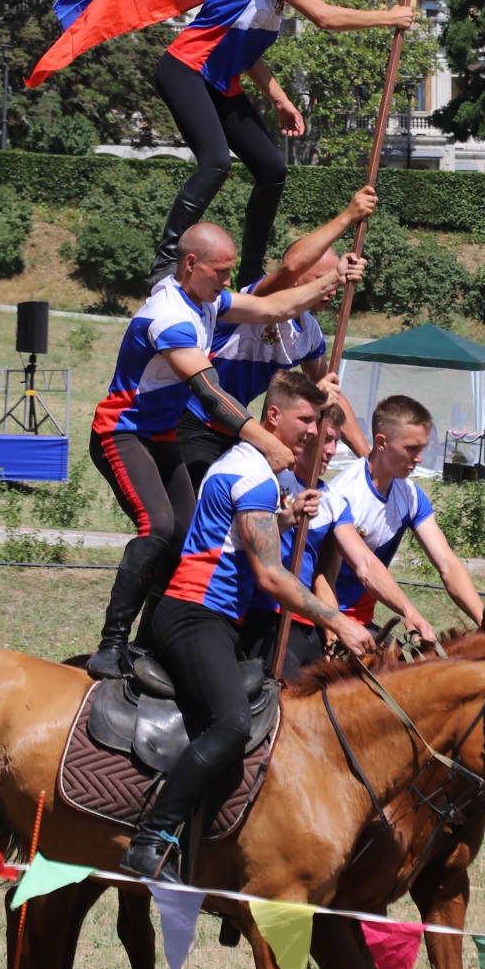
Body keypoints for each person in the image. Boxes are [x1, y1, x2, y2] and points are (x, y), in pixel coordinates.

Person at [120, 372, 371, 881]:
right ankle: (151, 840)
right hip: (194, 614)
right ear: (272, 417)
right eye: (306, 420)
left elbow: (236, 537)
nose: (313, 432)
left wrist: (283, 518)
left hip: (216, 618)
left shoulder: (251, 470)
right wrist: (337, 622)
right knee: (233, 722)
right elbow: (271, 576)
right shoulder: (255, 477)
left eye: (317, 422)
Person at [87, 221, 341, 680]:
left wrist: (333, 280)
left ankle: (149, 647)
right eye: (221, 272)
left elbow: (271, 306)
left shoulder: (206, 298)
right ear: (192, 264)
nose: (229, 281)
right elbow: (208, 392)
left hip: (160, 435)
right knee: (159, 525)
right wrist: (265, 439)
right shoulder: (171, 318)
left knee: (185, 536)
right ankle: (111, 645)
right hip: (122, 432)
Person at [150, 0, 415, 288]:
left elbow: (243, 46)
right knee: (216, 161)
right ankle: (166, 261)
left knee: (272, 169)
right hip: (185, 69)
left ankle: (252, 273)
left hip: (219, 82)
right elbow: (324, 17)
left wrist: (278, 98)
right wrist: (389, 17)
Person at [175, 184, 377, 493]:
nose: (332, 288)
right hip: (192, 420)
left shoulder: (309, 333)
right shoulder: (256, 302)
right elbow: (290, 266)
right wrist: (349, 216)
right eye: (320, 279)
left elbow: (334, 392)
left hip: (237, 428)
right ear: (298, 281)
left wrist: (368, 459)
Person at [240, 398, 438, 680]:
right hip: (272, 618)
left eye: (335, 441)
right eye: (326, 440)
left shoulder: (333, 499)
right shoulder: (270, 480)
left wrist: (409, 611)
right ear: (306, 436)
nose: (331, 451)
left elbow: (365, 564)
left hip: (314, 623)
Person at [324, 395, 485, 629]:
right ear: (381, 443)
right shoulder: (344, 495)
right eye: (411, 449)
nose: (419, 458)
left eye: (422, 448)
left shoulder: (410, 495)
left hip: (362, 622)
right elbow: (336, 575)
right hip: (326, 621)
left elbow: (447, 564)